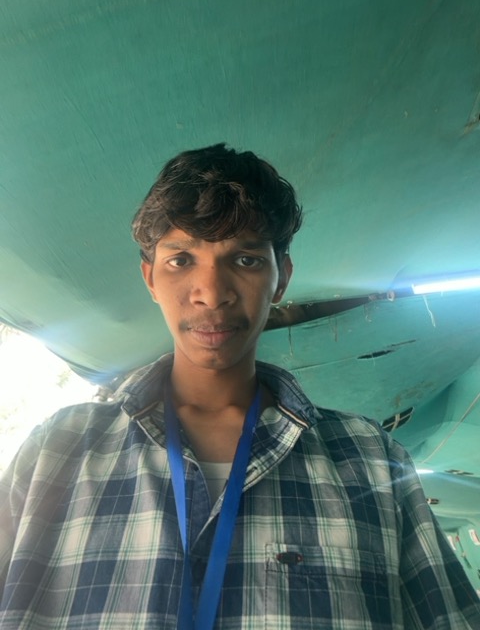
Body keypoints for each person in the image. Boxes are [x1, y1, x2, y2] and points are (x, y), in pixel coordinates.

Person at [0, 143, 479, 630]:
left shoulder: (373, 460)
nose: (211, 293)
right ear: (150, 279)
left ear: (281, 279)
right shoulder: (57, 450)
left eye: (246, 260)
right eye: (180, 260)